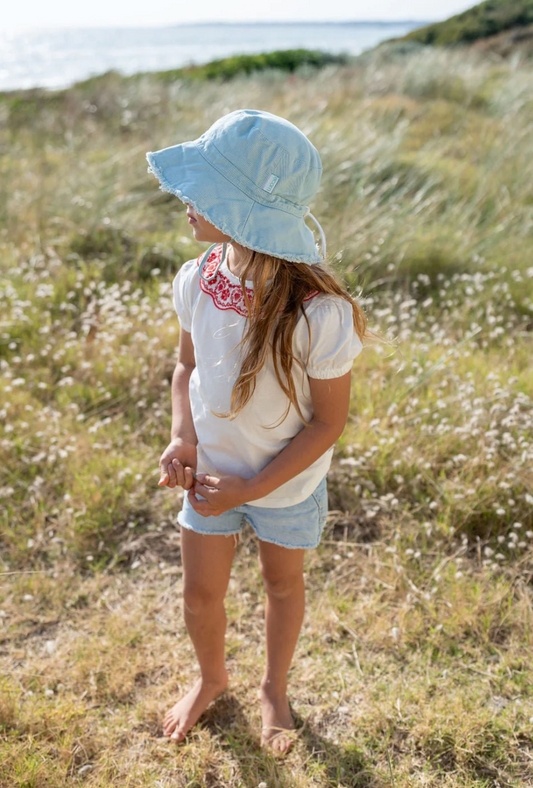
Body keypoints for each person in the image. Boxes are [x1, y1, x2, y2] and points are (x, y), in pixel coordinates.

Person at [145, 109, 367, 756]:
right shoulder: (196, 277)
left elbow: (327, 422)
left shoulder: (318, 315)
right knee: (200, 590)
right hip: (211, 472)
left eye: (204, 190)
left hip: (283, 485)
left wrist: (252, 487)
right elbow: (186, 366)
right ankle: (211, 678)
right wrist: (181, 438)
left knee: (281, 584)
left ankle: (274, 688)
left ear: (243, 212)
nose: (186, 201)